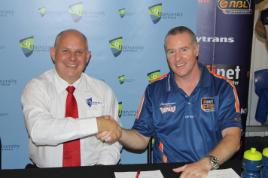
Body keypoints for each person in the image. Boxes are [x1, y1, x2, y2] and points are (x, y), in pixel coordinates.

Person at [98, 26, 241, 178]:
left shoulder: (222, 87)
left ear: (196, 50)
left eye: (184, 50)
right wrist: (120, 132)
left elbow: (233, 138)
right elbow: (141, 139)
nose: (178, 58)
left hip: (211, 169)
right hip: (169, 172)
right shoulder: (154, 90)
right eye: (171, 52)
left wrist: (205, 164)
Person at [21, 29, 122, 168]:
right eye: (65, 51)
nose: (72, 58)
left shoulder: (104, 91)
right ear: (53, 54)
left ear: (88, 57)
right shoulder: (37, 87)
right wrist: (97, 124)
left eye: (79, 52)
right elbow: (39, 131)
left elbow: (114, 140)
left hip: (94, 172)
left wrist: (101, 170)